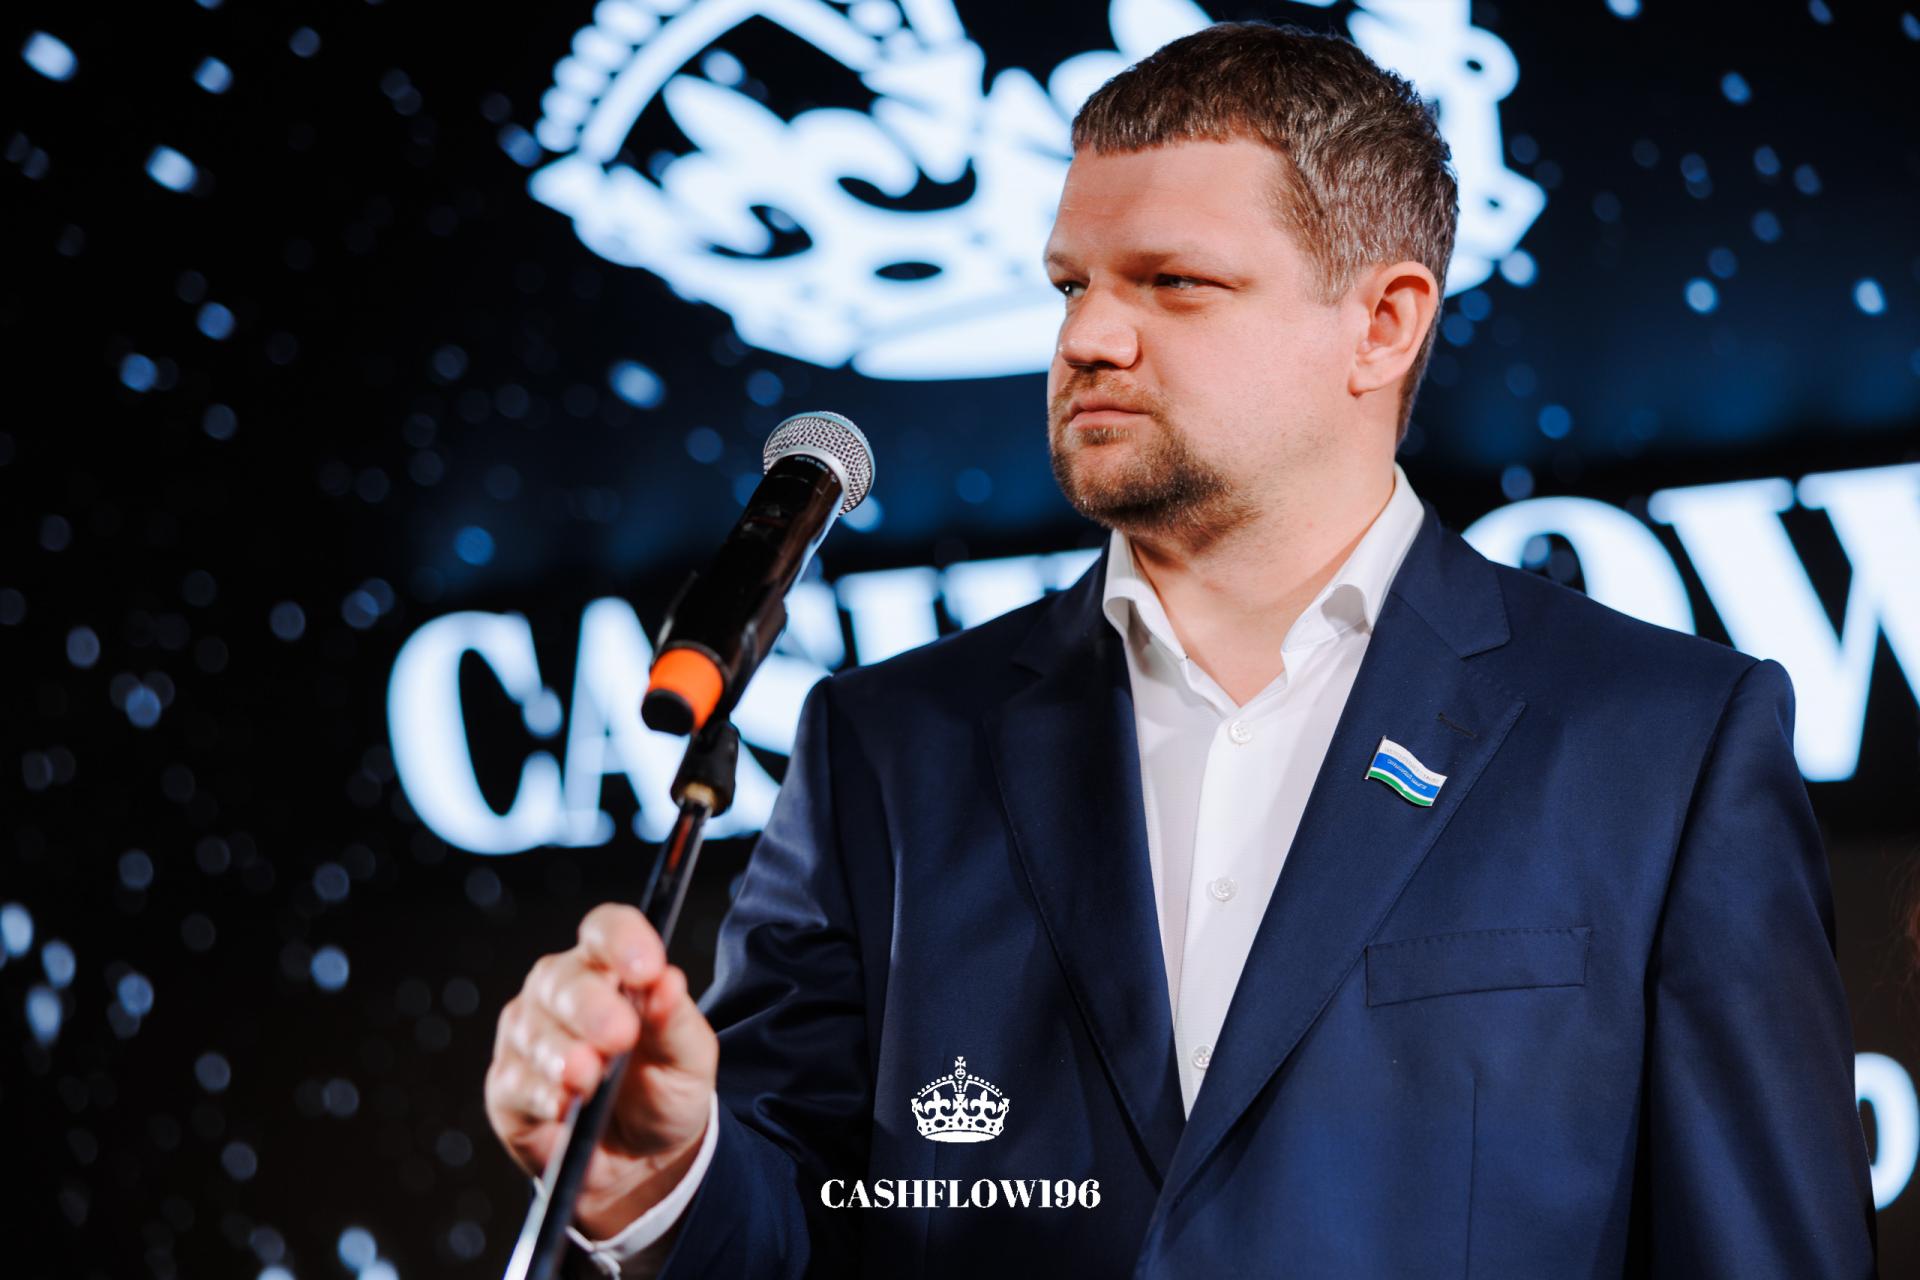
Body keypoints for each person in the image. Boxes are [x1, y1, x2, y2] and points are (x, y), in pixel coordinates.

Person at [485, 21, 1877, 1278]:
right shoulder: (889, 750)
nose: (1089, 335)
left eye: (1175, 283)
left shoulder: (1661, 745)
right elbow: (803, 1219)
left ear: (1382, 324)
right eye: (1071, 283)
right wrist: (659, 1179)